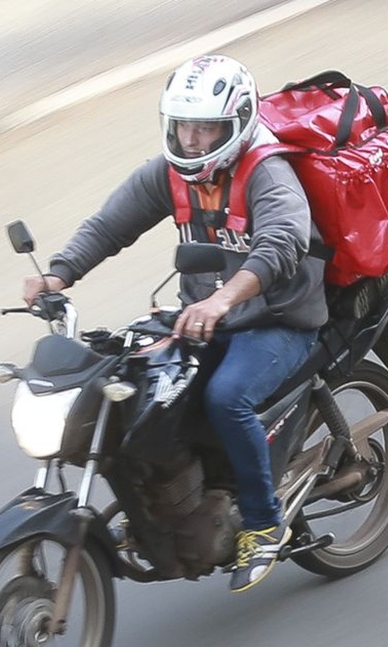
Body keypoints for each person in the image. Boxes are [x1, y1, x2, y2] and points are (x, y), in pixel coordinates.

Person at [22, 54, 328, 593]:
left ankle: (263, 523)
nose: (190, 139)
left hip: (277, 319)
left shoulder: (267, 173)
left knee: (226, 397)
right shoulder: (169, 173)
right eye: (183, 125)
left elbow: (281, 244)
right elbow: (111, 224)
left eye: (205, 127)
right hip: (201, 316)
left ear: (236, 124)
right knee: (134, 385)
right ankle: (164, 500)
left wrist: (223, 300)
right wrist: (58, 274)